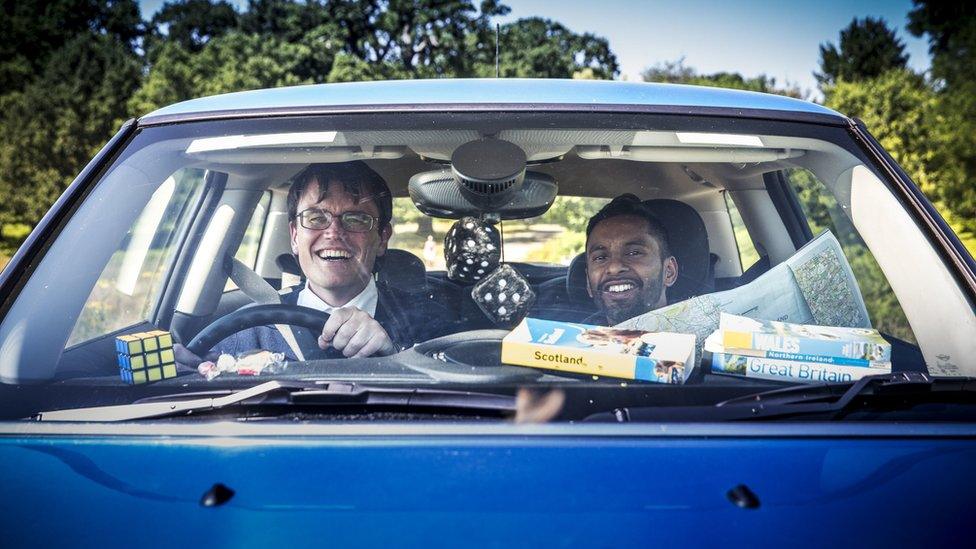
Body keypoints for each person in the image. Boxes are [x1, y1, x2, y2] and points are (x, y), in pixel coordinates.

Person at [176, 161, 453, 366]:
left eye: (355, 219)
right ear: (295, 236)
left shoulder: (431, 322)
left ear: (382, 239)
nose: (334, 233)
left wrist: (395, 353)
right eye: (315, 218)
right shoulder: (245, 330)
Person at [583, 194, 678, 325]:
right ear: (588, 282)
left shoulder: (709, 340)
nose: (614, 268)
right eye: (601, 257)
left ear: (669, 271)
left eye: (634, 253)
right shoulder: (567, 341)